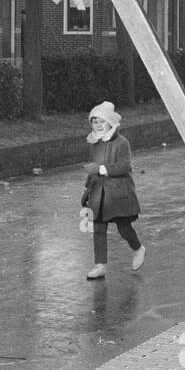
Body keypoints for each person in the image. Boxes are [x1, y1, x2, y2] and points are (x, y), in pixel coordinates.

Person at [80, 101, 145, 280]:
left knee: (124, 228)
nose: (97, 125)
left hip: (118, 194)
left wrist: (100, 169)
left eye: (101, 121)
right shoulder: (94, 143)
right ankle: (100, 265)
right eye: (94, 122)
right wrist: (87, 190)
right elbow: (93, 169)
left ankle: (138, 248)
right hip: (98, 194)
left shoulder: (122, 142)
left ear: (110, 122)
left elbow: (124, 166)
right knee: (99, 230)